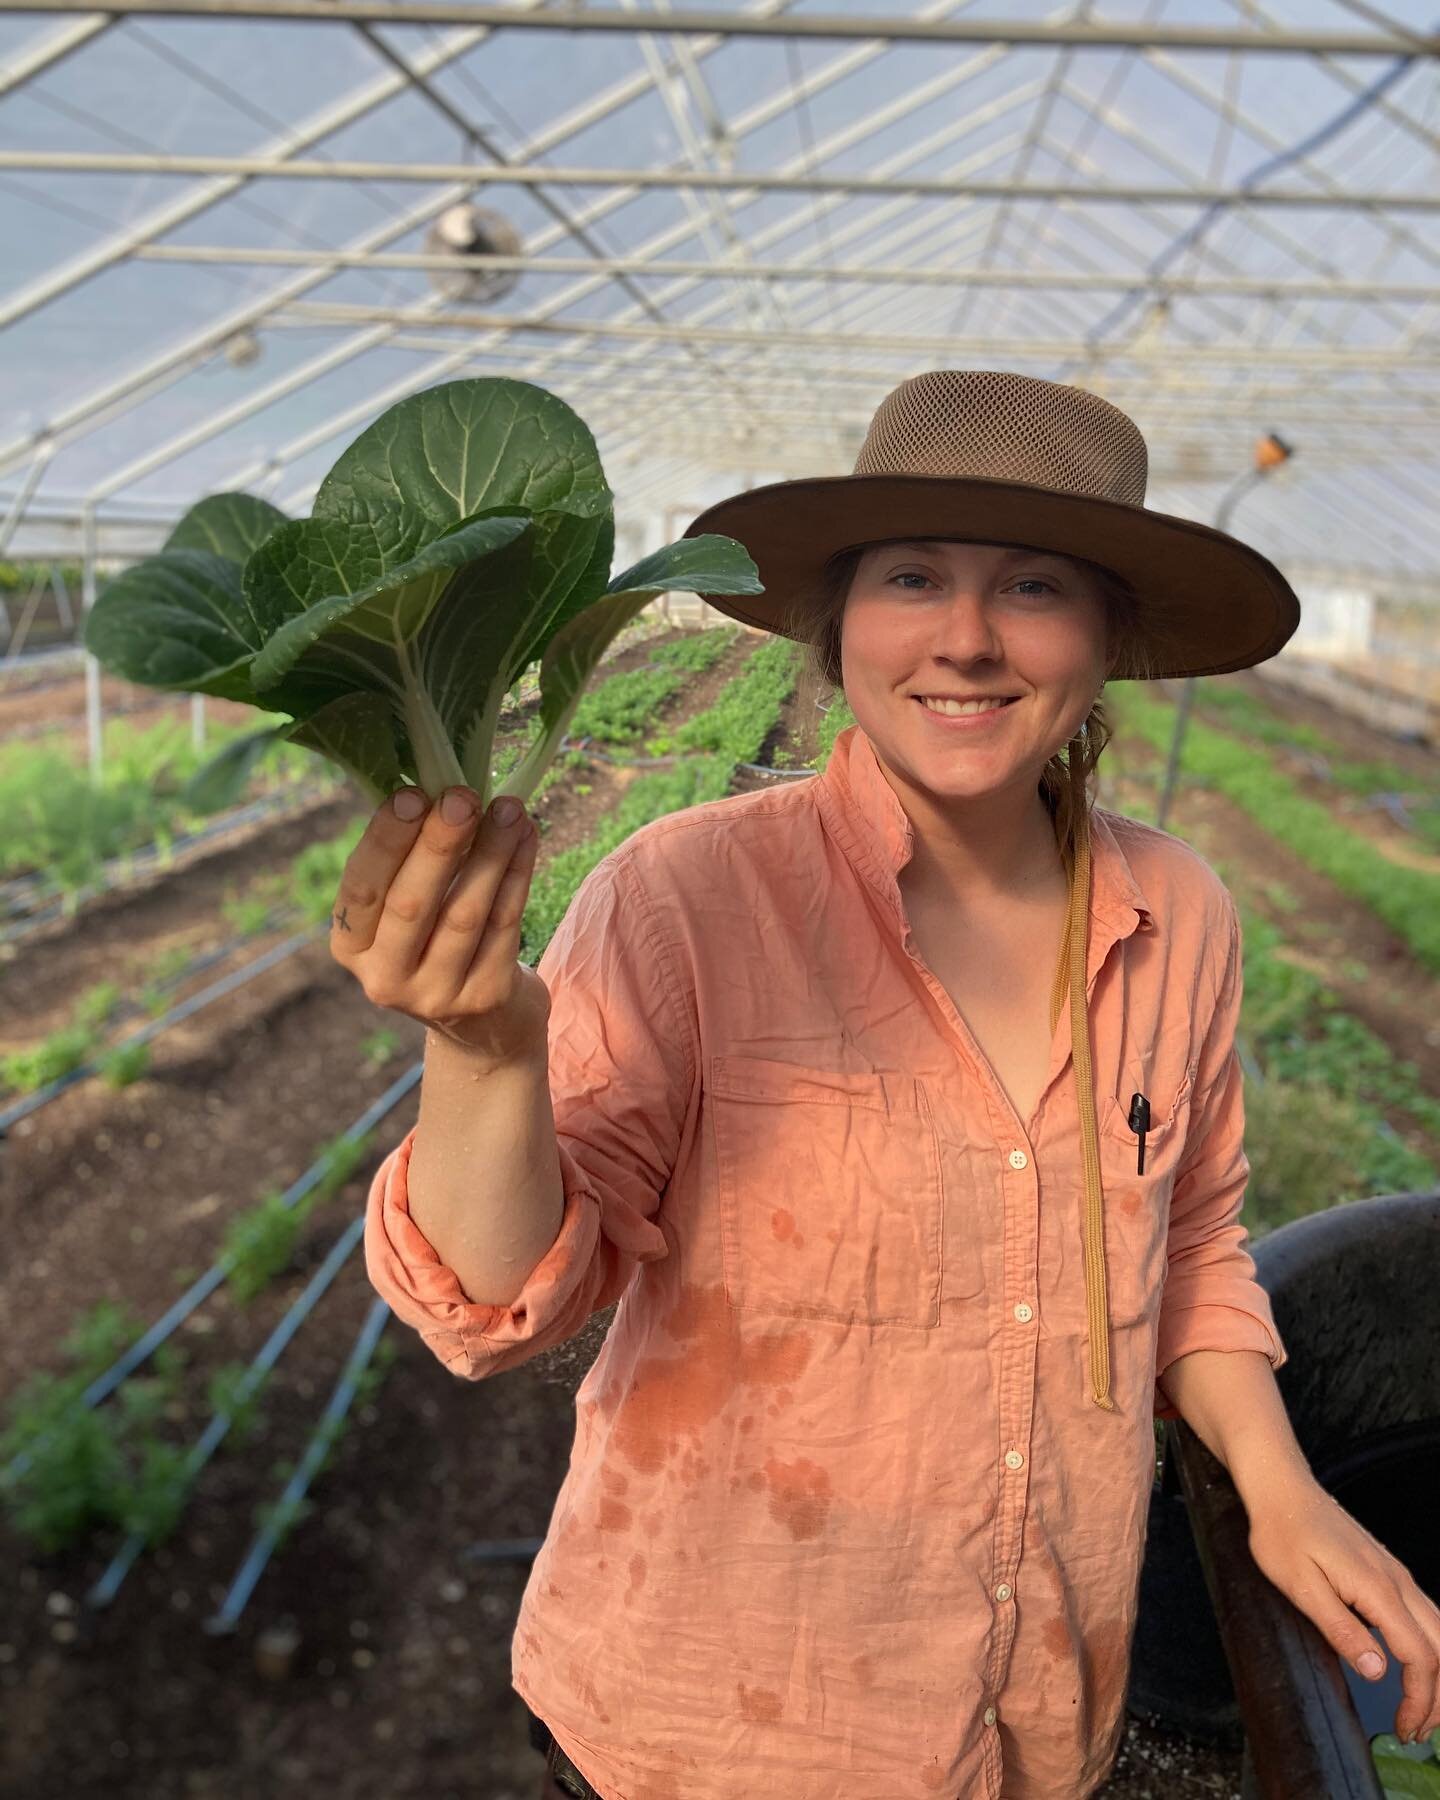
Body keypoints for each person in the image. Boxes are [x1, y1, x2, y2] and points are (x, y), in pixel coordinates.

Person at [348, 370, 1440, 1799]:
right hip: (711, 1735)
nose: (969, 640)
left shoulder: (1181, 917)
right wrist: (483, 1047)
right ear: (840, 620)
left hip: (1042, 1719)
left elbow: (1192, 1246)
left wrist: (1280, 1489)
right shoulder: (687, 898)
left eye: (1036, 587)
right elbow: (499, 1303)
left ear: (1107, 635)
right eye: (914, 575)